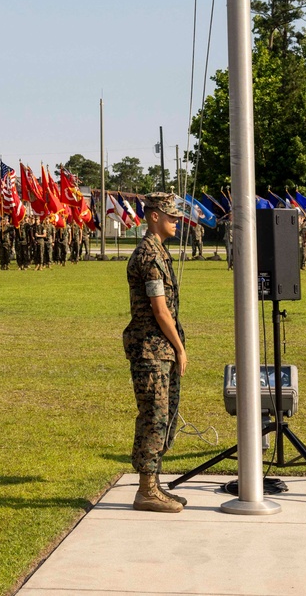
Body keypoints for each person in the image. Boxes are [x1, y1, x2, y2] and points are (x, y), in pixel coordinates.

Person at [123, 193, 186, 514]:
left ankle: (154, 483)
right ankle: (146, 490)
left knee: (166, 414)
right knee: (154, 415)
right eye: (170, 216)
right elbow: (160, 311)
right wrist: (179, 347)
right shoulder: (149, 255)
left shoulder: (159, 252)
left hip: (159, 348)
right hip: (151, 348)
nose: (175, 221)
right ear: (153, 217)